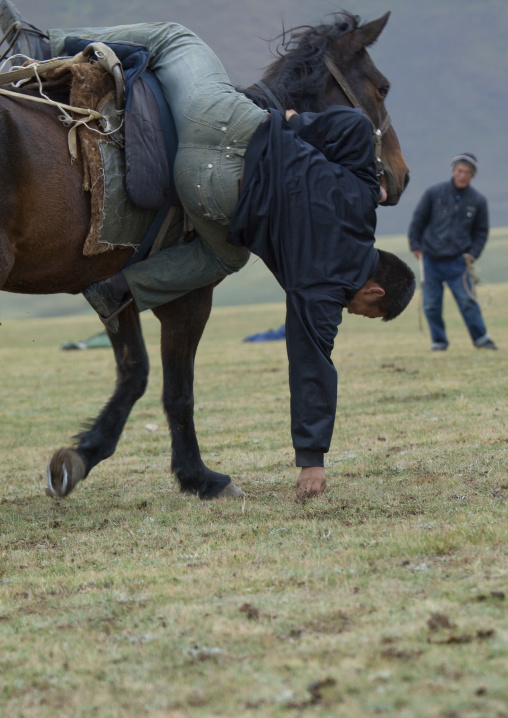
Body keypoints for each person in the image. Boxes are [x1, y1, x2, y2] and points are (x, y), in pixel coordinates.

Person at [1, 3, 416, 498]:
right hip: (212, 197)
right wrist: (311, 461)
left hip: (226, 125)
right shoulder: (318, 292)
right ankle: (120, 287)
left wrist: (293, 125)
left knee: (175, 37)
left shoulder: (365, 198)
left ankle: (40, 43)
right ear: (373, 288)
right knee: (223, 258)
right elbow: (311, 365)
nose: (354, 313)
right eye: (366, 311)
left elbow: (349, 128)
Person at [408, 154, 497, 351]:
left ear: (472, 175)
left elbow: (481, 232)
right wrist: (415, 245)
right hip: (431, 259)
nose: (462, 175)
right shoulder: (433, 193)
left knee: (467, 302)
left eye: (467, 172)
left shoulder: (478, 201)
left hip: (459, 261)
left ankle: (481, 339)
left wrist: (472, 254)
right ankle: (439, 342)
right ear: (453, 171)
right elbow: (418, 220)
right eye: (459, 171)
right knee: (431, 304)